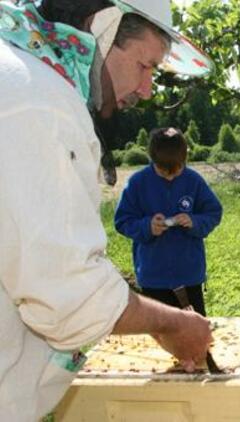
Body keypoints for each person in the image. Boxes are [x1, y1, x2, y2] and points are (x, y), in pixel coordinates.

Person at [0, 0, 215, 419]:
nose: (148, 89)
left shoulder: (16, 78)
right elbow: (66, 293)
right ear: (103, 26)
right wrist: (171, 324)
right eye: (145, 66)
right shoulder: (38, 99)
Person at [115, 127, 223, 316]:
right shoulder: (138, 183)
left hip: (189, 275)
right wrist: (147, 226)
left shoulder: (193, 181)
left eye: (176, 170)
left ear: (185, 159)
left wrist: (194, 221)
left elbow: (213, 212)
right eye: (163, 171)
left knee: (194, 331)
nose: (170, 176)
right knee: (159, 334)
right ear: (152, 160)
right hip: (153, 278)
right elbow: (122, 221)